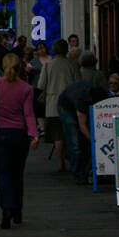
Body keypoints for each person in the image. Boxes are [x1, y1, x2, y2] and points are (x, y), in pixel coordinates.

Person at [0, 53, 39, 228]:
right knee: (17, 174)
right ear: (19, 67)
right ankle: (18, 212)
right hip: (19, 135)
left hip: (0, 134)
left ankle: (6, 207)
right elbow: (29, 114)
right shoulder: (26, 89)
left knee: (4, 174)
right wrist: (34, 134)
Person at [56, 52, 104, 186]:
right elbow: (82, 125)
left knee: (82, 140)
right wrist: (93, 139)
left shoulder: (97, 93)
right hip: (66, 106)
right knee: (75, 140)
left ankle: (85, 169)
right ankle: (78, 173)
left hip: (72, 98)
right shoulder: (82, 99)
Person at [36, 38, 80, 173]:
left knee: (57, 136)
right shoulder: (72, 65)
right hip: (69, 103)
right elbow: (78, 83)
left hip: (52, 104)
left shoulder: (48, 66)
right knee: (71, 135)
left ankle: (60, 163)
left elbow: (41, 85)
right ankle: (74, 163)